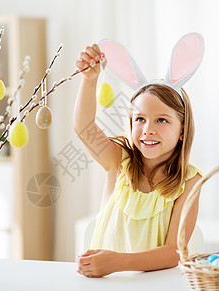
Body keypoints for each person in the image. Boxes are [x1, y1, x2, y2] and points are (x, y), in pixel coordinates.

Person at [73, 34, 205, 278]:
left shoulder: (189, 182)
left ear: (182, 130)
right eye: (140, 119)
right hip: (104, 287)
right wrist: (89, 80)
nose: (148, 129)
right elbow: (84, 127)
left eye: (162, 120)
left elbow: (174, 252)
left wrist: (116, 262)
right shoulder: (118, 162)